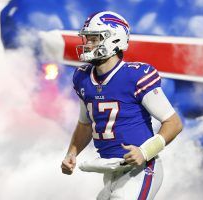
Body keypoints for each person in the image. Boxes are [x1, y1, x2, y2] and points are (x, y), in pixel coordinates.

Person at [61, 11, 183, 200]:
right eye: (87, 39)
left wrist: (145, 151)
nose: (88, 44)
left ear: (114, 40)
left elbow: (173, 123)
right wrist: (72, 152)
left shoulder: (135, 75)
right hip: (110, 170)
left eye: (94, 39)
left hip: (141, 168)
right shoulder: (83, 77)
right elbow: (85, 124)